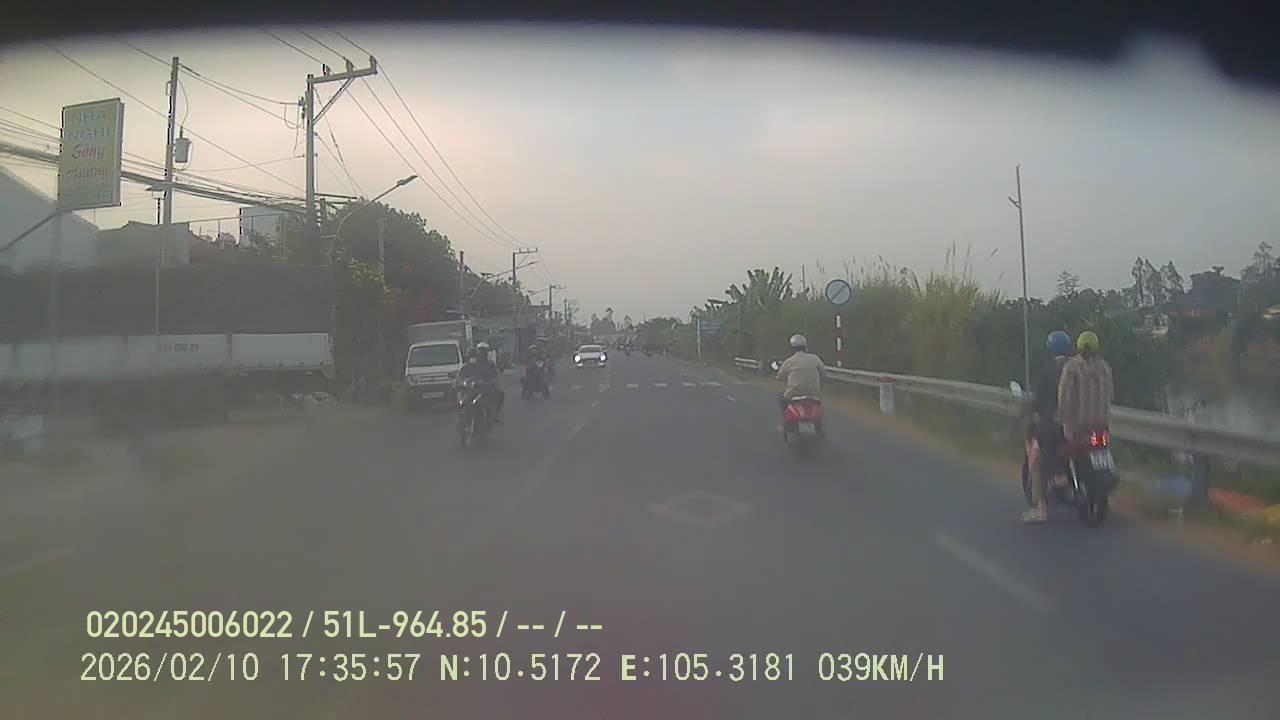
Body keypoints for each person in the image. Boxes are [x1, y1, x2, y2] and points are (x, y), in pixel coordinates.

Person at [1022, 330, 1073, 524]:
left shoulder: (1048, 372)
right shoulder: (1076, 368)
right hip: (1079, 425)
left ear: (1050, 349)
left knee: (1036, 458)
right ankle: (1060, 478)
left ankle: (1041, 509)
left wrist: (1031, 412)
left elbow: (1039, 401)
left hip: (1054, 425)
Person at [1057, 330, 1114, 446]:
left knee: (1068, 451)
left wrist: (1062, 418)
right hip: (1101, 428)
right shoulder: (1105, 368)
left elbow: (1064, 396)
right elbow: (1110, 395)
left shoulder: (1071, 367)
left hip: (1078, 429)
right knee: (1100, 447)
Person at [774, 334, 826, 411]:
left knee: (782, 398)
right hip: (814, 394)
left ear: (792, 348)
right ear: (805, 347)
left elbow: (780, 377)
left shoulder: (789, 361)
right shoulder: (815, 358)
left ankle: (786, 416)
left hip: (793, 393)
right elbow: (823, 374)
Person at [458, 343, 505, 421]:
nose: (482, 353)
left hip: (486, 390)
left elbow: (495, 377)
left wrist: (489, 382)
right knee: (463, 399)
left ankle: (494, 415)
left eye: (484, 351)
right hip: (473, 389)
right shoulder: (471, 364)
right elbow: (462, 374)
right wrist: (464, 381)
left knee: (500, 394)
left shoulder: (490, 365)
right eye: (480, 350)